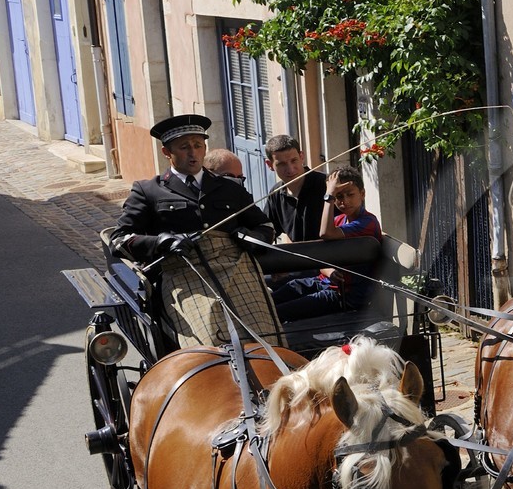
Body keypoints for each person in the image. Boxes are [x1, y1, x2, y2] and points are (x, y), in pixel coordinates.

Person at [112, 114, 280, 347]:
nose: (193, 153)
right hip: (184, 275)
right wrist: (162, 242)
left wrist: (252, 237)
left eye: (198, 145)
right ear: (166, 153)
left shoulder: (230, 187)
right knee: (211, 345)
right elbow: (119, 240)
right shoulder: (148, 190)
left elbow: (265, 225)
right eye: (184, 147)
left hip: (237, 270)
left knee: (266, 337)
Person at [271, 166, 382, 321]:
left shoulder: (367, 223)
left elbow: (325, 233)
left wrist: (329, 195)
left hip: (344, 295)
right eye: (339, 196)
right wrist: (330, 272)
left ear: (362, 194)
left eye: (350, 194)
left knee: (279, 313)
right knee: (271, 300)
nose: (345, 201)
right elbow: (323, 260)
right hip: (324, 282)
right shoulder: (339, 220)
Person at [263, 133, 327, 243]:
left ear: (302, 157)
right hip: (298, 258)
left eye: (294, 160)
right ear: (269, 164)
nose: (290, 169)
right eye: (282, 164)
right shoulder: (275, 194)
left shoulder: (327, 184)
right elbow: (267, 231)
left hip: (332, 256)